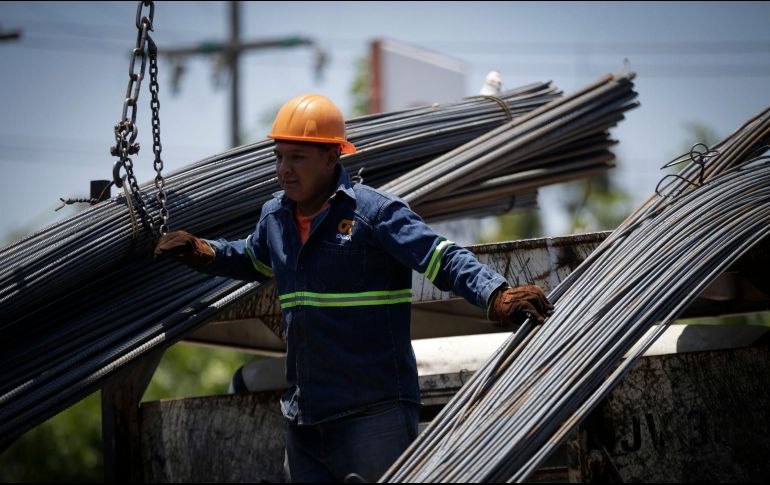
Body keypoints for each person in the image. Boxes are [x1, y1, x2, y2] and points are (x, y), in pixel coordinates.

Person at [154, 93, 553, 482]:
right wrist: (203, 252)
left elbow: (441, 257)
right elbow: (253, 258)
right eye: (279, 157)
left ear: (332, 156)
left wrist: (495, 294)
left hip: (373, 415)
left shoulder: (374, 213)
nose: (284, 169)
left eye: (297, 157)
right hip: (305, 416)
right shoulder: (274, 218)